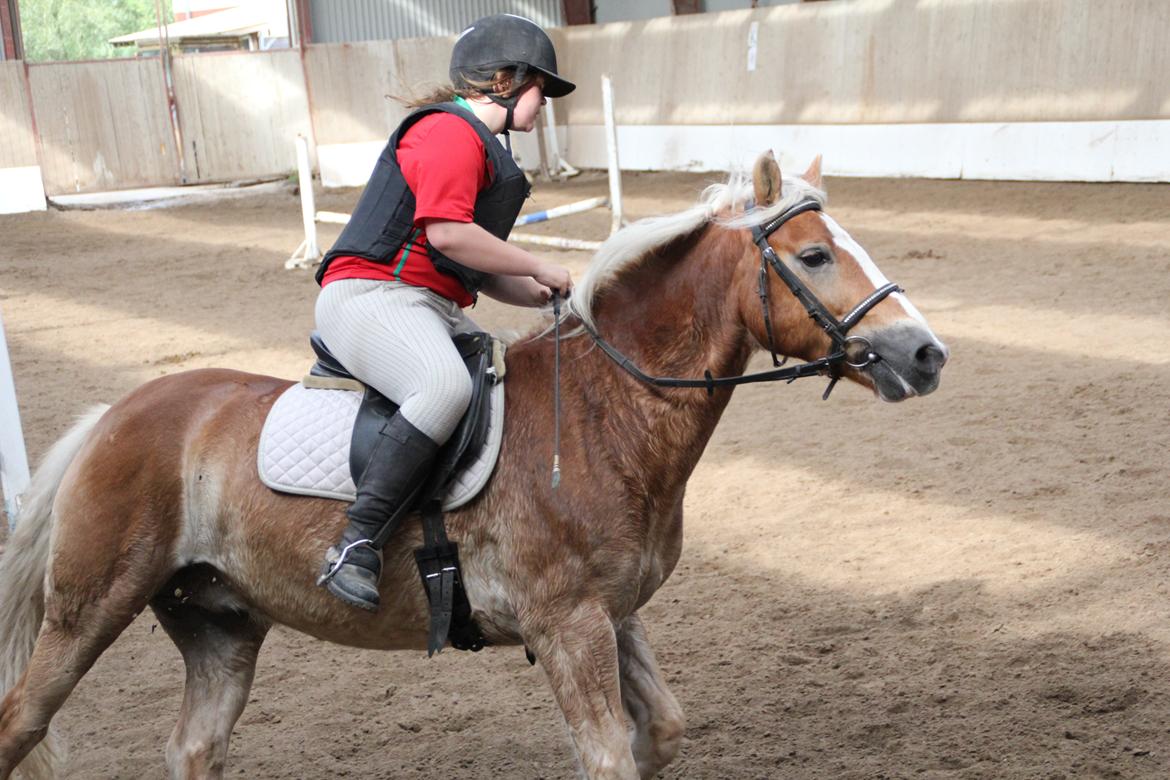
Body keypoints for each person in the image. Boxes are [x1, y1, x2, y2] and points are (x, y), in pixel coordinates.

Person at [313, 14, 575, 611]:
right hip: (370, 295)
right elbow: (449, 235)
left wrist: (529, 291)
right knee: (442, 385)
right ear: (506, 82)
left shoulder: (484, 147)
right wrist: (537, 264)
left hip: (429, 304)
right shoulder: (448, 132)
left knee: (507, 381)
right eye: (542, 89)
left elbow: (470, 267)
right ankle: (357, 543)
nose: (544, 106)